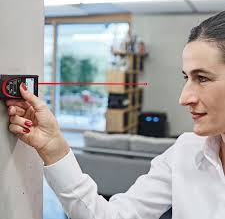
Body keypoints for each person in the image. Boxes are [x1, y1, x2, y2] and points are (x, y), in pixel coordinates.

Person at [5, 11, 225, 219]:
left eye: (202, 78)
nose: (184, 98)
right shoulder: (185, 152)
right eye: (186, 77)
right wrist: (54, 148)